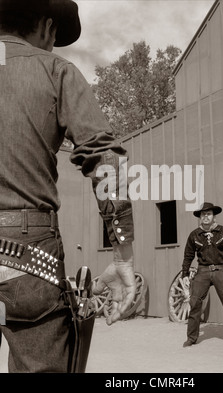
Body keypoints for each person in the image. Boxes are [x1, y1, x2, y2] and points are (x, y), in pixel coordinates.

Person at [0, 0, 136, 372]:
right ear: (46, 26)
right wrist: (123, 254)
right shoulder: (55, 70)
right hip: (29, 258)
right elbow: (106, 160)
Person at [182, 202, 223, 348]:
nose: (206, 217)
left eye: (208, 214)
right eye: (203, 214)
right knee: (195, 303)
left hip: (220, 270)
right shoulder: (194, 235)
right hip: (202, 271)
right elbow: (188, 256)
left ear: (213, 216)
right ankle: (191, 338)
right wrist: (185, 274)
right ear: (199, 217)